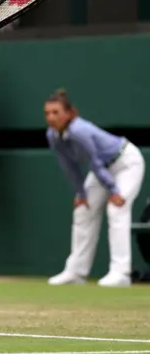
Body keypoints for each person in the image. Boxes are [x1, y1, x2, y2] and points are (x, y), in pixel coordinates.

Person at [45, 89, 145, 287]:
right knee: (82, 210)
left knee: (117, 209)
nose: (51, 118)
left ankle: (121, 273)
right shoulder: (53, 135)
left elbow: (94, 161)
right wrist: (81, 193)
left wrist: (114, 190)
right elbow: (69, 166)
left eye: (56, 112)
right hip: (102, 170)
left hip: (126, 163)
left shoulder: (79, 130)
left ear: (69, 113)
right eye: (47, 113)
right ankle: (75, 272)